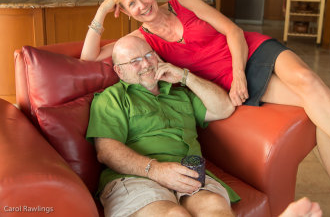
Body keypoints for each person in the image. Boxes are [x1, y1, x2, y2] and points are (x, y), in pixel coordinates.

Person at [81, 0, 330, 216]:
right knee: (313, 107)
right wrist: (103, 9)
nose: (142, 5)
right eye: (131, 3)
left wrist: (237, 75)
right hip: (225, 78)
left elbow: (233, 30)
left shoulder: (183, 1)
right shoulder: (142, 42)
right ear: (124, 11)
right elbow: (86, 60)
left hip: (247, 53)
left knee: (311, 83)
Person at [86, 35, 238, 217]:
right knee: (174, 215)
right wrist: (156, 170)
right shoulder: (111, 98)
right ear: (119, 71)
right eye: (135, 61)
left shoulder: (179, 92)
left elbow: (225, 108)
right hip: (137, 177)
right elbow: (107, 151)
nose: (146, 64)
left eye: (149, 55)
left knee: (214, 206)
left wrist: (185, 76)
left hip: (189, 173)